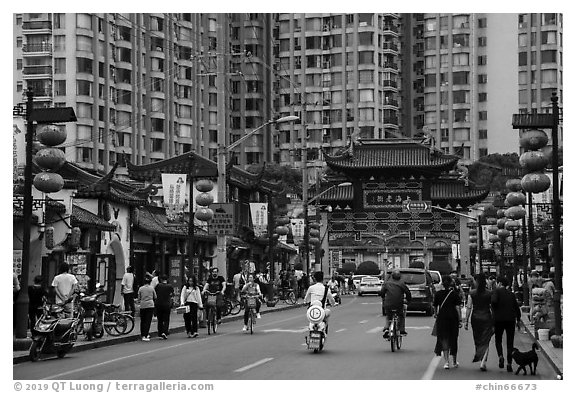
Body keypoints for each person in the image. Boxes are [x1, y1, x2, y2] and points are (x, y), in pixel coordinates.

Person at [464, 273, 494, 371]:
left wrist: (466, 321)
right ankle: (483, 361)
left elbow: (469, 307)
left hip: (475, 317)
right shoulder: (489, 293)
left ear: (476, 282)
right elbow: (493, 308)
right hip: (486, 317)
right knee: (486, 339)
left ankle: (480, 357)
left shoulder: (472, 293)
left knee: (477, 339)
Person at [491, 276, 521, 373]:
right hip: (510, 320)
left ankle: (500, 356)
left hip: (498, 319)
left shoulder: (496, 291)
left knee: (498, 340)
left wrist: (495, 310)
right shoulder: (511, 294)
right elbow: (516, 307)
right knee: (510, 342)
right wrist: (518, 318)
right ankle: (509, 363)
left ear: (499, 283)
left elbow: (494, 302)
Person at [433, 275, 462, 369]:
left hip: (442, 318)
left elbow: (435, 306)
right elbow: (458, 308)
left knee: (444, 338)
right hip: (453, 318)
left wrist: (435, 314)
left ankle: (446, 362)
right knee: (453, 338)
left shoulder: (438, 294)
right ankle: (454, 361)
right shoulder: (454, 294)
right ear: (450, 283)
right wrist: (460, 319)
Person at [381, 269, 412, 338]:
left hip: (388, 303)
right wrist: (408, 301)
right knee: (401, 315)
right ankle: (401, 330)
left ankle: (386, 329)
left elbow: (382, 292)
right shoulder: (402, 284)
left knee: (388, 316)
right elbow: (408, 293)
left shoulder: (387, 283)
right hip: (399, 304)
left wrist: (383, 298)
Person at [155, 275, 174, 339]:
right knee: (166, 319)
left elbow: (155, 293)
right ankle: (165, 332)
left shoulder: (158, 286)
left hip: (159, 304)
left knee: (160, 319)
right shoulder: (170, 286)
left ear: (161, 279)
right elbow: (172, 294)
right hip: (166, 305)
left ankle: (160, 333)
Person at [138, 275, 156, 341]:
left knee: (143, 321)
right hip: (150, 305)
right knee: (148, 321)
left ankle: (142, 334)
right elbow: (155, 296)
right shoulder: (151, 288)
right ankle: (146, 334)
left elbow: (139, 298)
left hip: (143, 305)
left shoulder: (140, 288)